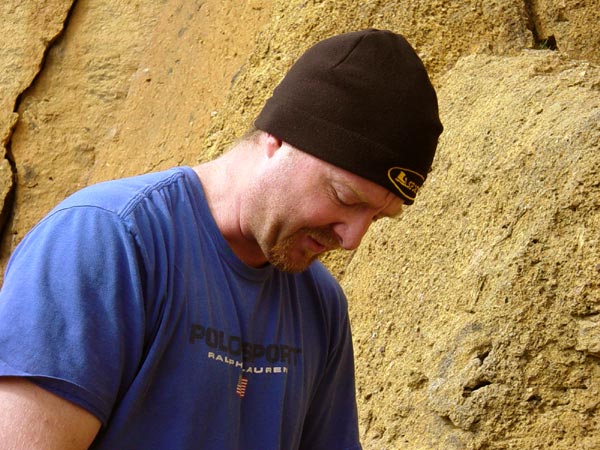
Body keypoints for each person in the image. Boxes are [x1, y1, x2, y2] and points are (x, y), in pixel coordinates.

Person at [0, 28, 442, 449]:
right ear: (279, 139)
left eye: (378, 217)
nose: (352, 239)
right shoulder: (107, 239)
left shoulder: (321, 305)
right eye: (345, 197)